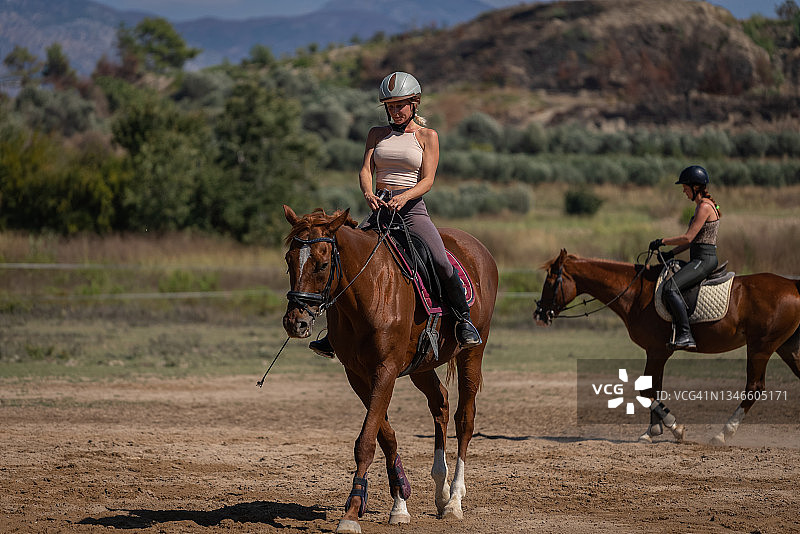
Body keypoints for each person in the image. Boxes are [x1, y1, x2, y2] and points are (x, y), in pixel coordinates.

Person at [310, 71, 482, 358]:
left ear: (414, 103)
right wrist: (368, 194)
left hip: (412, 210)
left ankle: (463, 322)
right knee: (345, 257)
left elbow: (427, 180)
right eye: (390, 106)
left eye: (400, 105)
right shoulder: (376, 134)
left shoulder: (427, 136)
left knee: (440, 260)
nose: (395, 111)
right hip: (379, 209)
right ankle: (335, 332)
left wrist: (404, 196)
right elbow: (366, 170)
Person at [649, 165, 721, 351]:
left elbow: (688, 237)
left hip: (704, 260)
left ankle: (685, 335)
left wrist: (662, 241)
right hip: (698, 257)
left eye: (685, 187)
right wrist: (670, 254)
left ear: (695, 187)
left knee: (670, 288)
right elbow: (693, 241)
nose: (683, 190)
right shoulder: (701, 206)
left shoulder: (704, 207)